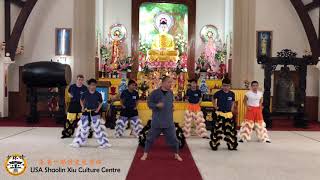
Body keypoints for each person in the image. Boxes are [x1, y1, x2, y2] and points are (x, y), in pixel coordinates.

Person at [140, 76, 182, 161]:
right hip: (157, 121)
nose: (171, 84)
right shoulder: (155, 93)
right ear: (163, 83)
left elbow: (170, 103)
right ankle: (145, 154)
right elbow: (149, 103)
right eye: (169, 82)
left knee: (174, 139)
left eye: (171, 82)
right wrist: (156, 105)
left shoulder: (170, 93)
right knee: (150, 139)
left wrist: (172, 107)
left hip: (168, 121)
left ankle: (176, 154)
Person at [70, 79, 111, 148]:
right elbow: (81, 100)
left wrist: (98, 109)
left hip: (95, 113)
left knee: (98, 129)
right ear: (89, 86)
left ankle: (104, 143)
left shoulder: (98, 94)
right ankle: (78, 142)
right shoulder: (85, 93)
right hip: (86, 112)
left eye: (94, 85)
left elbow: (101, 102)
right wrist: (82, 107)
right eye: (92, 85)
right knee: (82, 128)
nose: (93, 86)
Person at [210, 78, 238, 151]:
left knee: (230, 131)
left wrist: (232, 108)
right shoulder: (218, 93)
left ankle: (231, 144)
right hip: (219, 113)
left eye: (227, 86)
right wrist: (215, 106)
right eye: (224, 86)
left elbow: (233, 102)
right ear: (222, 86)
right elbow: (213, 98)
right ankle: (215, 144)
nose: (226, 87)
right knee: (217, 131)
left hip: (228, 114)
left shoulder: (232, 94)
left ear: (230, 86)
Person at [61, 74, 88, 139]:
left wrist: (84, 105)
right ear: (77, 79)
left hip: (81, 105)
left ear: (83, 80)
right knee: (69, 120)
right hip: (73, 104)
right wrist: (70, 95)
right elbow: (68, 92)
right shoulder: (72, 86)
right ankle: (67, 133)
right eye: (79, 79)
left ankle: (84, 133)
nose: (80, 81)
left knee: (83, 120)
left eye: (81, 80)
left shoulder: (85, 88)